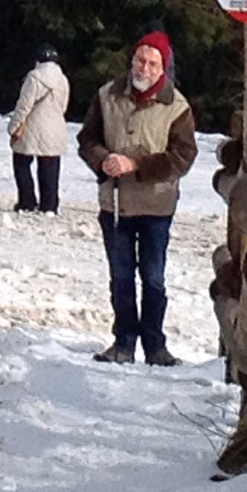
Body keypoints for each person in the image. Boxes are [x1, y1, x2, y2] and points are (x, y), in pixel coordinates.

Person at [77, 28, 197, 366]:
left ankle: (155, 346)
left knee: (154, 279)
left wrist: (137, 164)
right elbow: (87, 139)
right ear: (132, 61)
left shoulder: (178, 107)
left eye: (153, 63)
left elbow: (182, 156)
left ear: (163, 68)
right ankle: (123, 343)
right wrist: (104, 160)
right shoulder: (106, 96)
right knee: (120, 276)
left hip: (156, 206)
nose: (144, 69)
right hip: (115, 204)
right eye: (140, 60)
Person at [7, 48, 70, 213]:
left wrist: (14, 126)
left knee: (21, 162)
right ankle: (49, 205)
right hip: (55, 127)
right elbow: (63, 106)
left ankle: (27, 202)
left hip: (32, 126)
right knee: (50, 167)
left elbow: (24, 104)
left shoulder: (34, 77)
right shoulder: (62, 79)